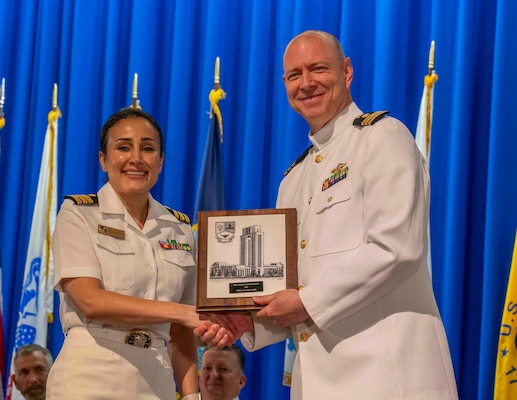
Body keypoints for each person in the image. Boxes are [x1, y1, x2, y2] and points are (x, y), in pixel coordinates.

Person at [196, 30, 459, 399]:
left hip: (388, 374)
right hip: (317, 380)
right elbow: (294, 283)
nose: (306, 84)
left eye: (318, 68)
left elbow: (396, 249)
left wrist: (304, 302)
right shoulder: (293, 179)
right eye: (294, 75)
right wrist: (249, 320)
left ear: (347, 71)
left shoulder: (383, 137)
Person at [47, 107, 233, 400]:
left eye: (148, 148)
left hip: (156, 377)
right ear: (103, 159)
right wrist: (181, 313)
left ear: (160, 162)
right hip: (89, 374)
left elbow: (182, 334)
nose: (136, 158)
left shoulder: (180, 228)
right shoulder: (77, 214)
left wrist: (190, 396)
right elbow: (90, 301)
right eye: (123, 147)